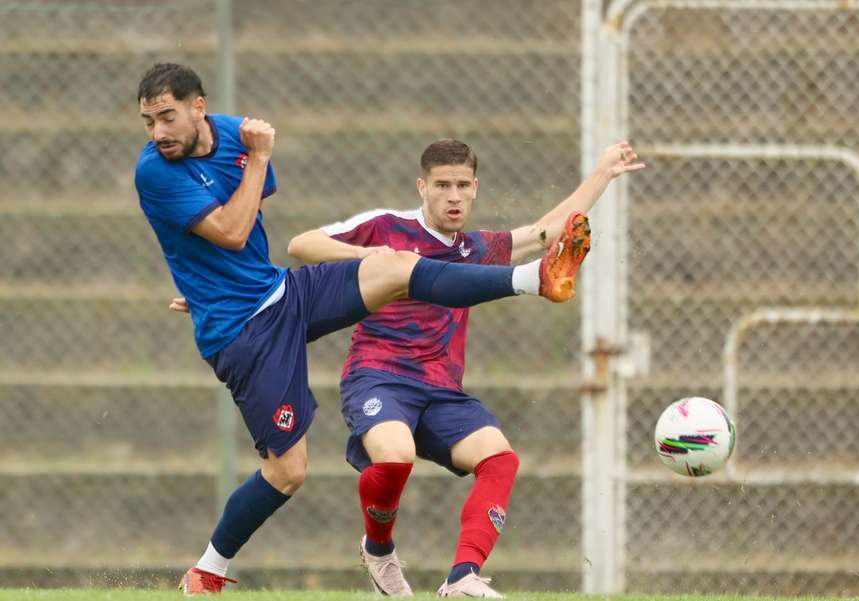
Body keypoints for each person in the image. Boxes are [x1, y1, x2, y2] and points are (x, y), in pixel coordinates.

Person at [135, 63, 594, 596]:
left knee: (396, 267)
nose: (158, 133)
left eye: (167, 117)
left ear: (199, 107)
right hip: (243, 332)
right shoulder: (161, 170)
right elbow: (235, 232)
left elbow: (245, 215)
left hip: (283, 294)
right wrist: (216, 285)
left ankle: (537, 279)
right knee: (288, 473)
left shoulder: (236, 132)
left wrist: (208, 281)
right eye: (148, 122)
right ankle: (207, 570)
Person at [285, 139, 644, 597]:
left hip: (441, 389)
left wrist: (603, 173)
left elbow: (546, 232)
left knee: (500, 458)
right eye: (441, 185)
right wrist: (370, 258)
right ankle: (378, 551)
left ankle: (463, 577)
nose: (452, 196)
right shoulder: (386, 226)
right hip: (377, 375)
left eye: (461, 185)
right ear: (422, 187)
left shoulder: (477, 249)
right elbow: (302, 244)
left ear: (475, 189)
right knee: (394, 455)